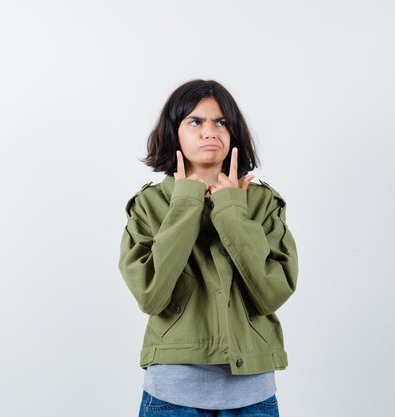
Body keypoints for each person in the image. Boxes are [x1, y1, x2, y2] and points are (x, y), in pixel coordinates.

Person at [118, 79, 299, 417]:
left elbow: (272, 293)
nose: (209, 132)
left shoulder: (262, 203)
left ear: (233, 133)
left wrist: (231, 208)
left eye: (221, 122)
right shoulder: (149, 205)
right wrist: (186, 202)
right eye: (196, 122)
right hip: (173, 394)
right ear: (175, 132)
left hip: (252, 394)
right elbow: (151, 296)